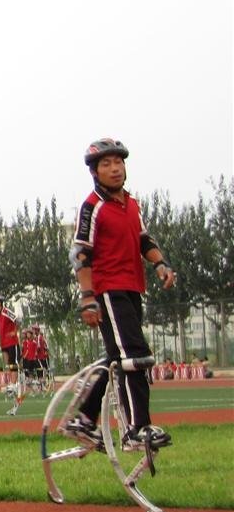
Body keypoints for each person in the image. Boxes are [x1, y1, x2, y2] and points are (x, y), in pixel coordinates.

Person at [65, 138, 176, 452]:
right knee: (135, 357)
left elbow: (143, 239)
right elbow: (81, 254)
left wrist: (160, 264)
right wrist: (87, 297)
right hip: (108, 289)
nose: (115, 169)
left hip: (132, 287)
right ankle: (136, 429)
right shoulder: (92, 206)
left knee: (118, 357)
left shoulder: (131, 203)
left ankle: (83, 420)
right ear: (95, 172)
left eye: (119, 163)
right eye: (106, 164)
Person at [0, 293, 21, 408]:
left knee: (13, 364)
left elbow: (18, 320)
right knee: (7, 364)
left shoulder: (6, 311)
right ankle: (10, 385)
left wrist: (14, 331)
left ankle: (14, 384)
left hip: (12, 342)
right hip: (4, 344)